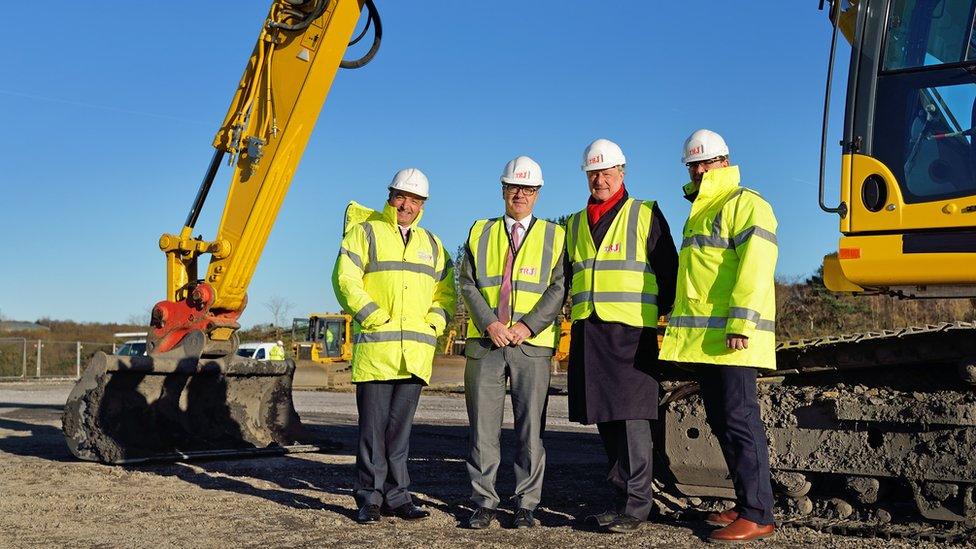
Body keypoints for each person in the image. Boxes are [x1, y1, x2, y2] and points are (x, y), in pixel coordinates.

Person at [659, 129, 778, 543]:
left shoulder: (746, 204)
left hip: (733, 339)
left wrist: (741, 325)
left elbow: (756, 269)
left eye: (705, 163)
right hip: (708, 342)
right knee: (724, 423)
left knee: (741, 423)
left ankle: (759, 513)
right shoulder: (701, 210)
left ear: (724, 162)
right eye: (693, 164)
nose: (698, 170)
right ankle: (745, 503)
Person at [565, 139, 678, 533]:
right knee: (605, 416)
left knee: (632, 417)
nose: (600, 179)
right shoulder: (576, 222)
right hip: (590, 329)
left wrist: (656, 315)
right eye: (593, 173)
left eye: (606, 172)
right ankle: (621, 497)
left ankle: (637, 505)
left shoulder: (644, 213)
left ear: (622, 173)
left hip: (631, 330)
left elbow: (668, 272)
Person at [332, 168, 456, 525]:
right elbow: (345, 279)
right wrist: (371, 315)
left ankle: (398, 497)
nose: (407, 205)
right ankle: (369, 498)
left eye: (415, 200)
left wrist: (434, 322)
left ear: (423, 205)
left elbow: (445, 292)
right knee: (372, 431)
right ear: (390, 197)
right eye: (402, 197)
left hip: (414, 351)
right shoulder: (365, 234)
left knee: (399, 432)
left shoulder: (432, 244)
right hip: (377, 350)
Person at [459, 156, 566, 529]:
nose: (519, 194)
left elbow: (558, 288)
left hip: (530, 347)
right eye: (513, 187)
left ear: (537, 194)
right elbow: (468, 284)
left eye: (527, 189)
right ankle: (484, 501)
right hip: (486, 344)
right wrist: (489, 323)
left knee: (530, 430)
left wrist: (528, 326)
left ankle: (526, 503)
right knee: (483, 429)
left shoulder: (556, 236)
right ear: (503, 189)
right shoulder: (479, 231)